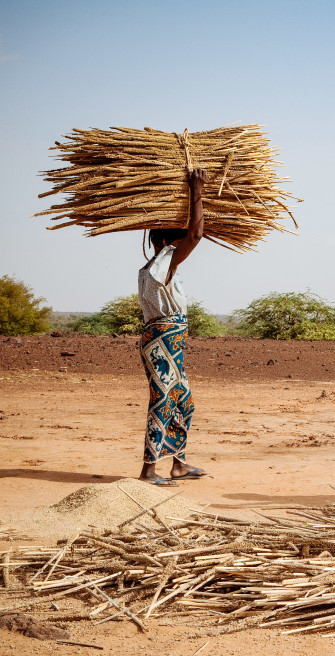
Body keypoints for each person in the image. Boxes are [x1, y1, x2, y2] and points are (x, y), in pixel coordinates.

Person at [137, 168, 209, 485]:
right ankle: (148, 471)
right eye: (177, 239)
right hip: (163, 341)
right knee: (163, 401)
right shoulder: (162, 263)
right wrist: (197, 189)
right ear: (166, 242)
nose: (185, 245)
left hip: (170, 342)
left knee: (184, 401)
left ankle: (178, 464)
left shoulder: (161, 266)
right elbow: (196, 235)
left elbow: (191, 237)